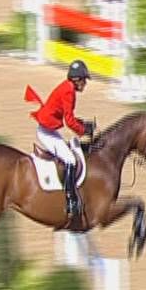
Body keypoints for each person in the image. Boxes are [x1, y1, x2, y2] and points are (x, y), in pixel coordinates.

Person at [33, 60, 96, 218]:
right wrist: (84, 131)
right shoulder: (69, 92)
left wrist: (83, 124)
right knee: (70, 160)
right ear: (77, 79)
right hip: (46, 132)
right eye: (84, 80)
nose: (85, 83)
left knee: (70, 152)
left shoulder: (67, 87)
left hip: (48, 129)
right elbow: (69, 121)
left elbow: (70, 118)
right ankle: (70, 200)